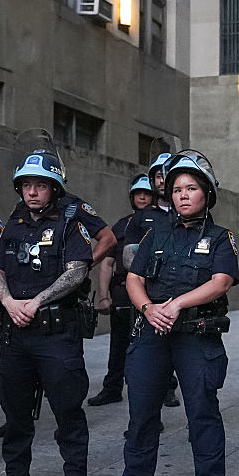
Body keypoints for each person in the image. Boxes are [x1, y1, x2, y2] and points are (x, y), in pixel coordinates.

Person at [107, 151, 237, 476]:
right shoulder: (155, 234)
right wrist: (148, 309)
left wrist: (177, 304)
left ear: (207, 193)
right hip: (153, 331)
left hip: (196, 333)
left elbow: (221, 281)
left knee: (202, 411)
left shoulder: (220, 237)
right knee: (142, 409)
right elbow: (134, 278)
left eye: (191, 188)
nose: (182, 194)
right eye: (177, 188)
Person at [0, 150, 92, 476]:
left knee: (67, 410)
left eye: (41, 185)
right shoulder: (13, 225)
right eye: (27, 185)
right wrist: (8, 301)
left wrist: (37, 301)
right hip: (16, 334)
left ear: (55, 188)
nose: (32, 192)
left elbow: (77, 270)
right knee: (15, 412)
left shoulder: (69, 223)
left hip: (56, 335)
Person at [88, 174, 155, 406]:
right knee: (118, 345)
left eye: (147, 193)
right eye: (138, 193)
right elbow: (107, 263)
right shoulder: (122, 225)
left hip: (152, 293)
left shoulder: (162, 221)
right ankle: (112, 388)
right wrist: (104, 295)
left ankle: (166, 389)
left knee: (154, 345)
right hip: (122, 291)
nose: (143, 197)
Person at [122, 151, 180, 408]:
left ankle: (170, 387)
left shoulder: (189, 212)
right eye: (158, 174)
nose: (162, 179)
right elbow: (129, 259)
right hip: (146, 295)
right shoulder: (142, 216)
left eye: (167, 174)